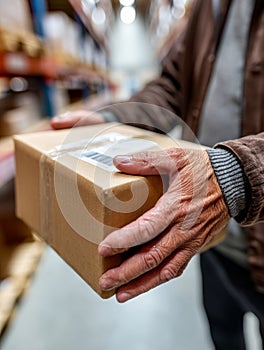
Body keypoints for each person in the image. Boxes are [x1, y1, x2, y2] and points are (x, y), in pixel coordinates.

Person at [51, 0, 264, 348]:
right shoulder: (209, 8)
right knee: (223, 329)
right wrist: (115, 118)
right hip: (207, 231)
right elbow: (171, 84)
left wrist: (237, 175)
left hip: (249, 232)